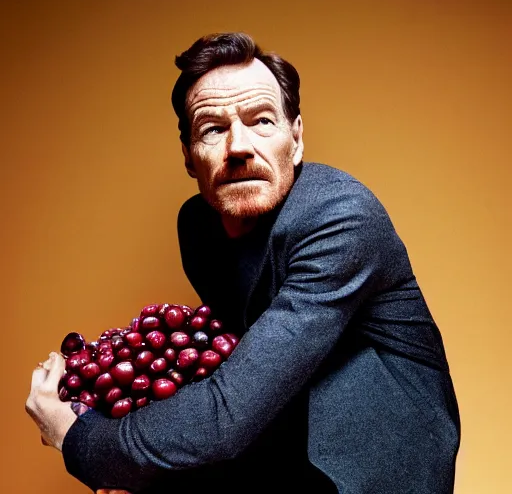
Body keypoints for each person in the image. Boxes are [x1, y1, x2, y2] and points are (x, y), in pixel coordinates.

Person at [26, 32, 461, 493]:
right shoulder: (197, 229)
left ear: (295, 140)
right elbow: (243, 372)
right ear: (189, 157)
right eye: (213, 129)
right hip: (279, 440)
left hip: (380, 464)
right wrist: (136, 464)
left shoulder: (341, 217)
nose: (238, 146)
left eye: (262, 122)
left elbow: (228, 412)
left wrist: (82, 441)